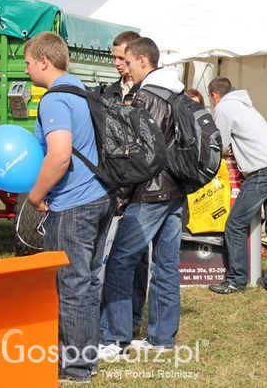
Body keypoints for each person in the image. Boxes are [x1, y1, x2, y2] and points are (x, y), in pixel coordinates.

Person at [25, 32, 113, 382]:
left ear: (44, 61)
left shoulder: (53, 99)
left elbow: (59, 155)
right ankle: (86, 359)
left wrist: (35, 193)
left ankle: (74, 369)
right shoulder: (80, 89)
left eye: (29, 63)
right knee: (88, 283)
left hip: (73, 204)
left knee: (71, 285)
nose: (28, 70)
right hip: (99, 196)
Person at [100, 38, 187, 358]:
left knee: (120, 262)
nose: (126, 68)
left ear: (141, 61)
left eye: (128, 61)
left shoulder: (146, 97)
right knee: (166, 265)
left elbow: (136, 154)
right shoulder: (176, 92)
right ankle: (162, 338)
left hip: (149, 194)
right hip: (176, 190)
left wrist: (120, 198)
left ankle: (114, 338)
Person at [207, 77, 267, 294]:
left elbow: (221, 145)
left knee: (234, 224)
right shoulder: (245, 105)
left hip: (263, 170)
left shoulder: (223, 108)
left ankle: (236, 279)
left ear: (214, 96)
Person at [99, 30, 149, 340]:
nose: (118, 63)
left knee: (136, 258)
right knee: (112, 253)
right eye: (114, 57)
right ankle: (112, 317)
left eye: (122, 57)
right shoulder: (108, 92)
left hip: (140, 187)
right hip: (113, 183)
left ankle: (130, 319)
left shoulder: (147, 91)